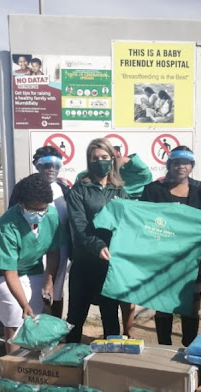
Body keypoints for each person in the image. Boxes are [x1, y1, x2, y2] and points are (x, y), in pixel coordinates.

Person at [141, 146, 201, 346]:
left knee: (192, 308)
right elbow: (142, 225)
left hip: (194, 262)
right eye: (176, 162)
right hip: (162, 262)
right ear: (169, 165)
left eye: (185, 162)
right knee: (162, 307)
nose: (181, 166)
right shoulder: (153, 190)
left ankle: (190, 349)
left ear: (192, 166)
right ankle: (163, 349)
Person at [0, 173, 64, 353]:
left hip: (31, 266)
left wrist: (49, 282)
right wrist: (23, 304)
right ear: (22, 204)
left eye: (43, 209)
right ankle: (14, 368)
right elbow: (9, 272)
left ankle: (31, 358)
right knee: (16, 314)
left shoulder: (51, 215)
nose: (39, 214)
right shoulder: (7, 226)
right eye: (34, 210)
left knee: (35, 312)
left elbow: (53, 251)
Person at [66, 138, 131, 343]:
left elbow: (130, 221)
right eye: (95, 158)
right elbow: (79, 226)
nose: (100, 161)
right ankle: (69, 361)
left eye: (104, 157)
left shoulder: (119, 190)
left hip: (110, 265)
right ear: (89, 161)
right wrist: (97, 245)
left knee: (111, 317)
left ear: (112, 159)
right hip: (85, 262)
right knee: (76, 317)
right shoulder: (79, 190)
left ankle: (110, 365)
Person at [9, 146, 73, 318]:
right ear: (37, 166)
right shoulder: (24, 187)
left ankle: (54, 327)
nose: (51, 169)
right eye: (46, 164)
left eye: (56, 164)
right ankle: (31, 324)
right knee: (34, 286)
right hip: (33, 246)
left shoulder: (63, 189)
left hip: (59, 247)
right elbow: (12, 216)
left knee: (56, 289)